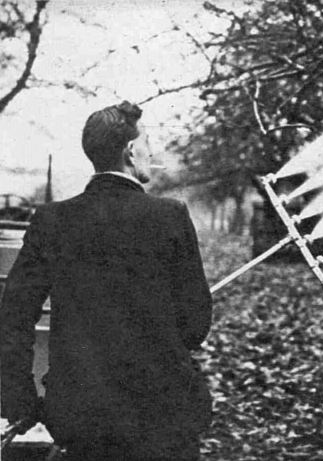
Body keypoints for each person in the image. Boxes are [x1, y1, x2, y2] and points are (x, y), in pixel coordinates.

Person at [0, 101, 213, 461]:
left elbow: (13, 316)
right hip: (162, 414)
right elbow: (195, 326)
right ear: (130, 151)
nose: (151, 152)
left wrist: (20, 399)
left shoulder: (52, 221)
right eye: (147, 143)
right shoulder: (170, 216)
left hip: (80, 416)